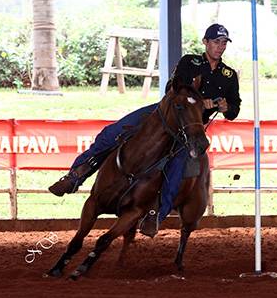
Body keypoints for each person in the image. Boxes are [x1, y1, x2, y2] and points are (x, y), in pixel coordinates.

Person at [48, 23, 241, 236]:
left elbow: (234, 109)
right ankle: (75, 176)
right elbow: (171, 88)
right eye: (216, 42)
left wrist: (226, 107)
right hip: (163, 114)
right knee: (112, 133)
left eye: (223, 43)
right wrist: (198, 101)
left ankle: (155, 217)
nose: (220, 47)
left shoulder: (229, 75)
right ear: (205, 42)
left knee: (177, 169)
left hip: (188, 130)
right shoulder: (190, 62)